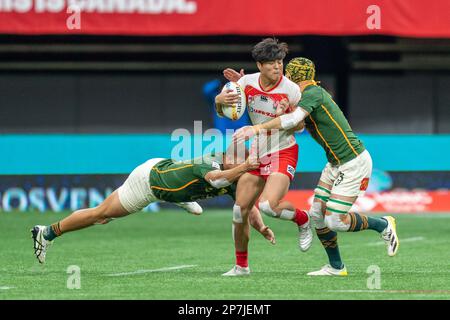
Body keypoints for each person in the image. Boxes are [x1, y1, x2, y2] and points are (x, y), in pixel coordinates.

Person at [226, 57, 399, 276]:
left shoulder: (312, 94)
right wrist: (247, 86)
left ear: (292, 75)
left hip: (353, 161)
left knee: (335, 221)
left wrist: (256, 129)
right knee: (317, 213)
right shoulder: (307, 95)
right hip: (336, 163)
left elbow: (292, 121)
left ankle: (382, 225)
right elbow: (293, 120)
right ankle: (336, 267)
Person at [31, 151, 275, 264]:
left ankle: (179, 197)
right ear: (226, 156)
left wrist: (262, 226)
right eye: (239, 158)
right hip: (148, 183)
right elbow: (213, 179)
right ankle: (48, 232)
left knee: (195, 204)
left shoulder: (233, 178)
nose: (243, 163)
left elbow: (247, 207)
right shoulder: (210, 163)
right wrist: (243, 168)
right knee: (101, 215)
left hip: (165, 169)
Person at [215, 38, 312, 276]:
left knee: (268, 206)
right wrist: (220, 101)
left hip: (283, 150)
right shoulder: (245, 83)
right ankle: (241, 266)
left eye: (280, 62)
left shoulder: (291, 90)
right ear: (259, 65)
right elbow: (231, 115)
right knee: (240, 210)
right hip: (258, 152)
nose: (277, 67)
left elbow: (301, 127)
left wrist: (286, 113)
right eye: (271, 63)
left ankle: (303, 219)